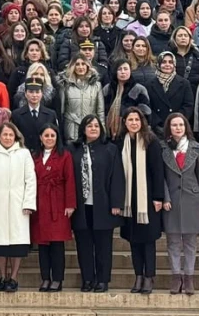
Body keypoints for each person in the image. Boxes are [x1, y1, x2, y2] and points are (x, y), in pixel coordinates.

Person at [0, 120, 36, 293]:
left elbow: (30, 180)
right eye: (5, 134)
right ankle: (3, 276)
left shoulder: (24, 154)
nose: (8, 138)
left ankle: (14, 278)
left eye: (11, 135)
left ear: (16, 136)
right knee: (0, 243)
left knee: (17, 244)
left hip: (19, 205)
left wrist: (28, 203)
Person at [71, 114, 123, 293]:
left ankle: (102, 279)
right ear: (83, 129)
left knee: (103, 245)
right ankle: (87, 279)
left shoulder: (110, 149)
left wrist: (116, 203)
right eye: (89, 126)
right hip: (81, 206)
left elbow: (117, 176)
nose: (93, 128)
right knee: (83, 245)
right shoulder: (74, 149)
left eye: (96, 126)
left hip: (103, 204)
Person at [117, 108, 164, 294]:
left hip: (148, 199)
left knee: (148, 240)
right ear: (124, 122)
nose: (134, 123)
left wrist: (158, 197)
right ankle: (138, 276)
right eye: (130, 119)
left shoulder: (151, 141)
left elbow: (157, 171)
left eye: (137, 119)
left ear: (142, 121)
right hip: (129, 199)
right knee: (133, 240)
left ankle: (149, 276)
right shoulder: (121, 142)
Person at [160, 112, 199, 295]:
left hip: (192, 198)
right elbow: (161, 177)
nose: (178, 128)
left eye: (180, 125)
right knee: (172, 241)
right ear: (169, 128)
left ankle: (188, 277)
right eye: (174, 125)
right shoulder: (163, 148)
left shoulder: (195, 147)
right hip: (171, 199)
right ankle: (176, 276)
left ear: (185, 127)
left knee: (189, 241)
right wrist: (165, 197)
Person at [31, 123, 74, 292]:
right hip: (40, 203)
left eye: (52, 136)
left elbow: (70, 180)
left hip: (58, 202)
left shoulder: (65, 156)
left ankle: (57, 279)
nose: (49, 139)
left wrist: (70, 204)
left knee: (56, 244)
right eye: (46, 135)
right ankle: (45, 278)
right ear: (41, 138)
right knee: (42, 245)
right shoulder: (34, 156)